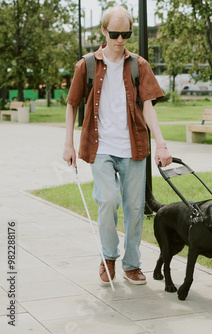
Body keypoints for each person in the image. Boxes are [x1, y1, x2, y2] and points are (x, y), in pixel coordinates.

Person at [63, 6, 172, 286]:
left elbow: (148, 108)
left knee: (135, 208)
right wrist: (69, 144)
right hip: (100, 147)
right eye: (115, 33)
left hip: (134, 148)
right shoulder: (86, 65)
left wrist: (161, 144)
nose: (121, 39)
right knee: (107, 200)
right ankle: (108, 257)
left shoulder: (139, 65)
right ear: (103, 31)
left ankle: (132, 264)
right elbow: (72, 104)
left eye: (126, 34)